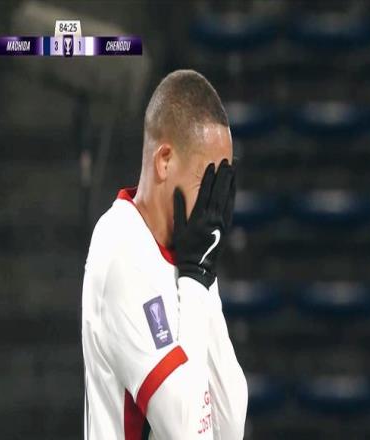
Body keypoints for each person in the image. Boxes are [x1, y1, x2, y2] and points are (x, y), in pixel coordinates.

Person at [82, 69, 248, 440]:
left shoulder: (190, 254)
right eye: (207, 181)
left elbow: (229, 425)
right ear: (165, 161)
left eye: (221, 187)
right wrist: (196, 278)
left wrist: (204, 274)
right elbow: (186, 433)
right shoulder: (120, 247)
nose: (213, 206)